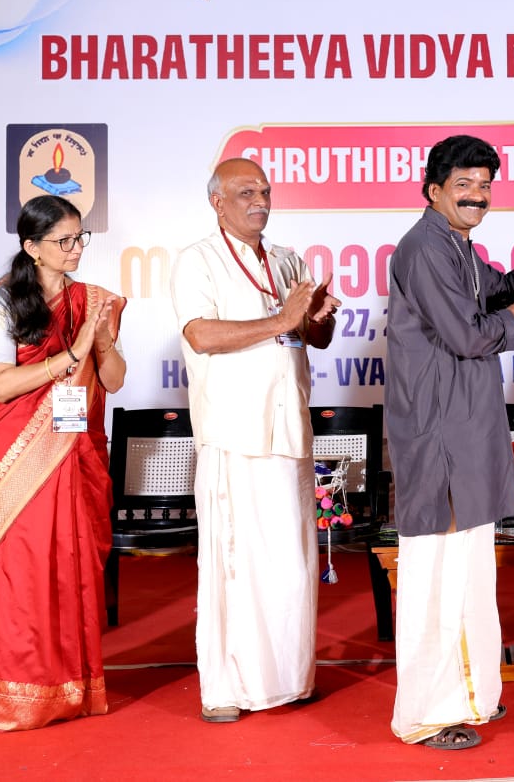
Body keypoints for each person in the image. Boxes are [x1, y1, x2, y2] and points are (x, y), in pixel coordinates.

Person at [385, 134, 514, 750]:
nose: (478, 195)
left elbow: (496, 289)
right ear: (434, 190)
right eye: (464, 184)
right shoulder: (423, 248)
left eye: (486, 184)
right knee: (436, 571)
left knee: (467, 569)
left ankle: (467, 695)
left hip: (466, 424)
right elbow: (470, 335)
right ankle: (426, 712)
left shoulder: (459, 246)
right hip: (438, 429)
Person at [171, 158, 339, 722]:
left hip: (288, 428)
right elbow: (201, 334)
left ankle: (290, 679)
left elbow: (312, 336)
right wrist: (284, 319)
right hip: (234, 431)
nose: (259, 200)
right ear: (217, 201)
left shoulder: (287, 258)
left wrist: (316, 316)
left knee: (291, 563)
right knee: (235, 566)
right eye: (246, 192)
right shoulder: (197, 259)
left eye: (264, 191)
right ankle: (228, 689)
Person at [0, 195, 126, 731]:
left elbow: (114, 380)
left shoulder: (96, 301)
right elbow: (1, 384)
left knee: (72, 569)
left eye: (80, 238)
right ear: (31, 246)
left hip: (77, 454)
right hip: (14, 453)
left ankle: (70, 690)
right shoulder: (6, 303)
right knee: (19, 571)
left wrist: (100, 344)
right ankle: (12, 694)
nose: (75, 249)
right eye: (63, 241)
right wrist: (69, 355)